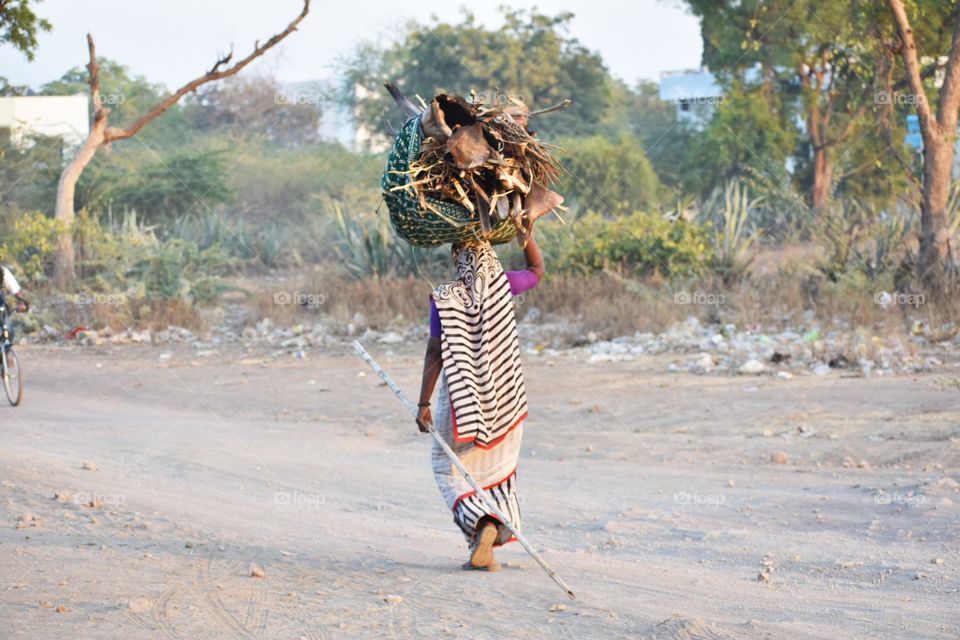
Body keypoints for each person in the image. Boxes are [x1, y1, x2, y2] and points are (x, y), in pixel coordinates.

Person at [416, 232, 544, 571]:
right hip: (506, 402)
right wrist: (525, 233)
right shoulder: (506, 285)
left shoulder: (444, 298)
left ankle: (483, 527)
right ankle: (483, 541)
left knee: (447, 470)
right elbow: (536, 269)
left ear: (458, 260)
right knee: (499, 474)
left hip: (461, 405)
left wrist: (423, 404)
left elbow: (435, 353)